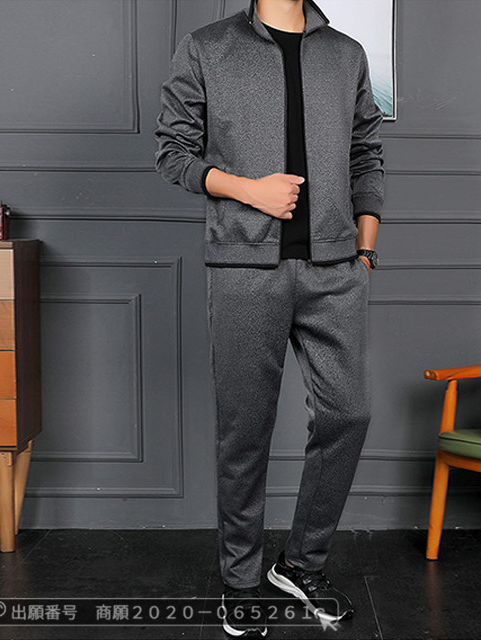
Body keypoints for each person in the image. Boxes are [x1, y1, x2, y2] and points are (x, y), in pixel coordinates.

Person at [155, 0, 384, 636]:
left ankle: (302, 564)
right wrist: (248, 189)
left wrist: (365, 248)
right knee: (245, 432)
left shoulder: (346, 54)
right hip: (243, 269)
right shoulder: (208, 46)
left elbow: (366, 153)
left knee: (348, 413)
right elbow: (172, 153)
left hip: (335, 269)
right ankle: (241, 581)